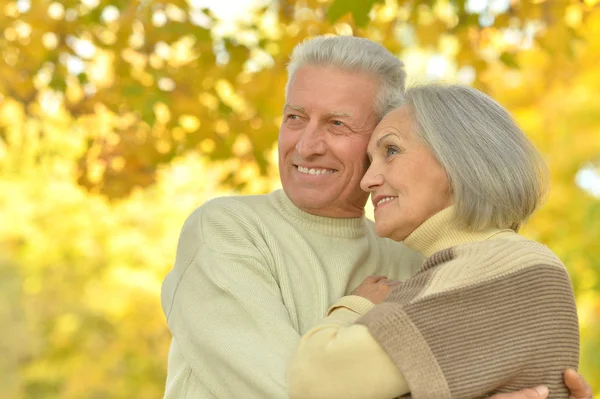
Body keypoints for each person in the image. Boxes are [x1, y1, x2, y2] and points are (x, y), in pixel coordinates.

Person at [161, 35, 593, 398]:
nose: (307, 144)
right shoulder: (226, 231)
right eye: (295, 118)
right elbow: (291, 393)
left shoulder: (422, 256)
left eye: (336, 124)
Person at [287, 84, 581, 398]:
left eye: (391, 151)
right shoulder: (464, 269)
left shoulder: (498, 268)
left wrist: (357, 305)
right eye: (371, 161)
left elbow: (314, 381)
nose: (367, 180)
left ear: (460, 159)